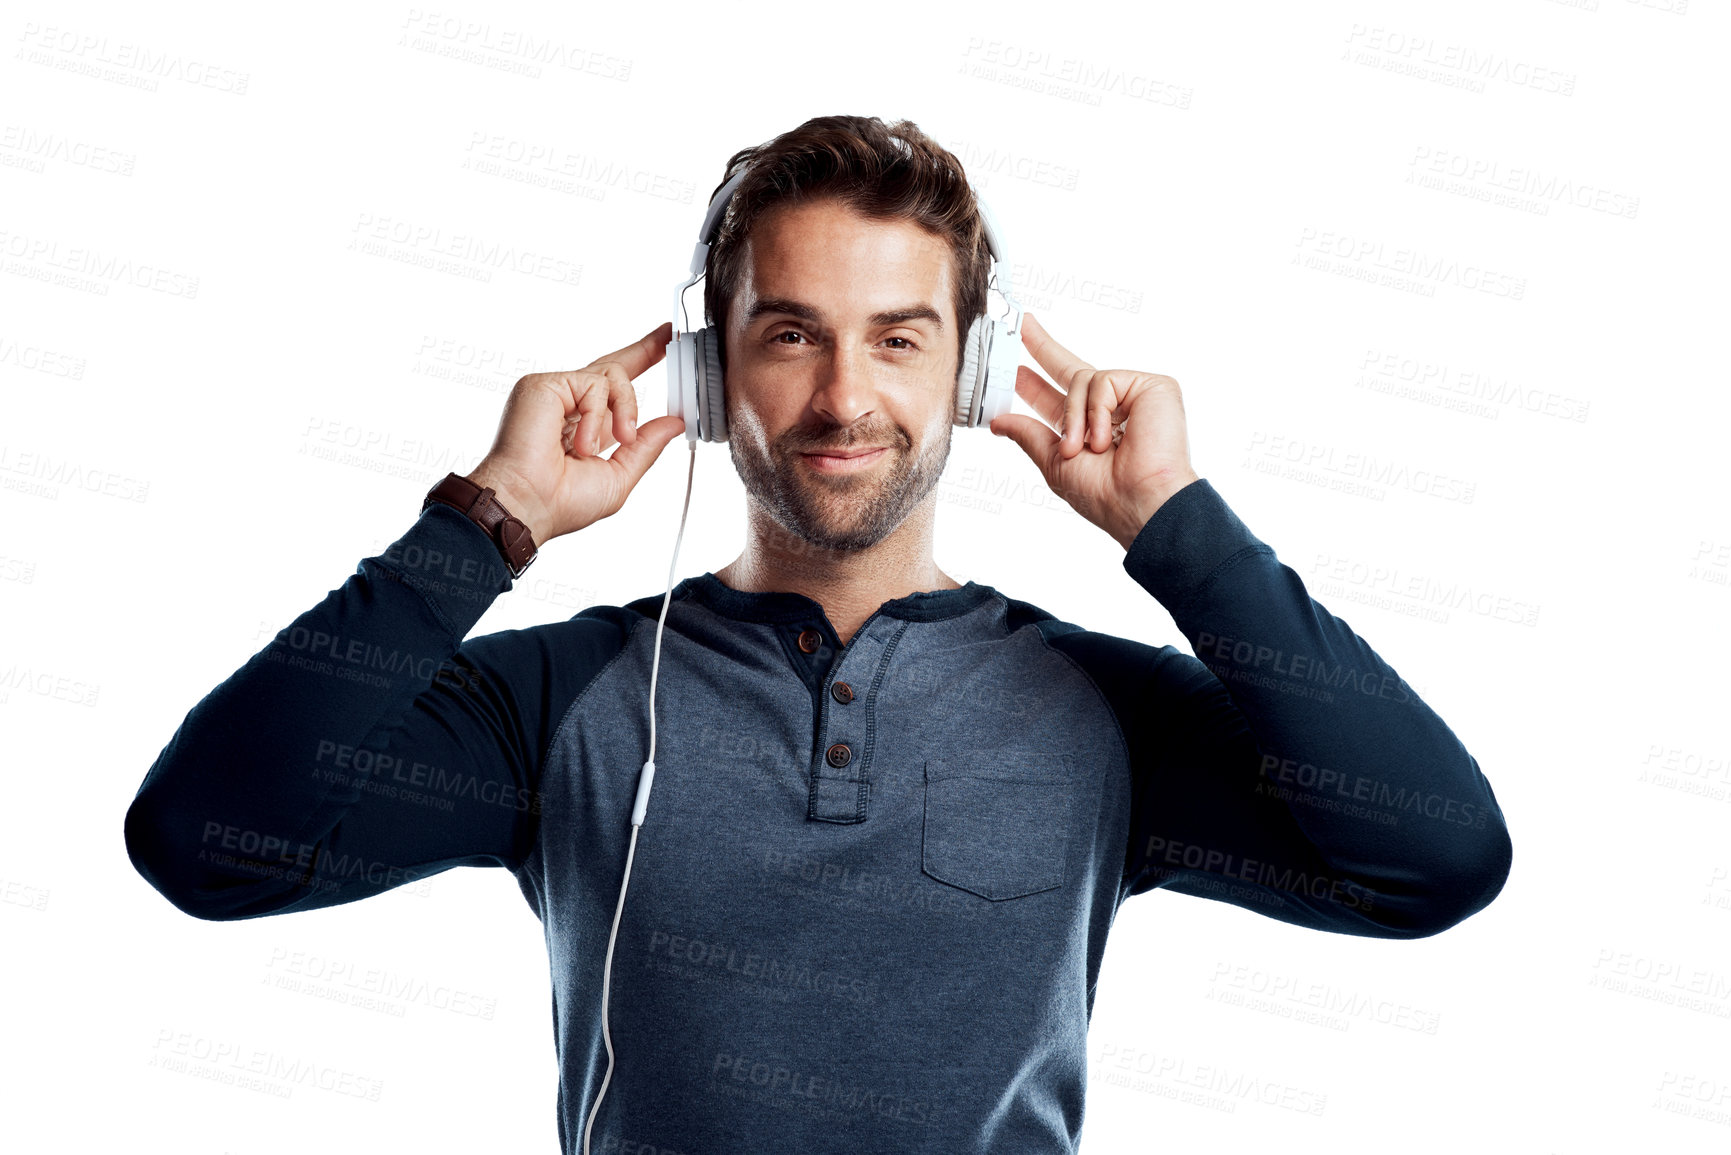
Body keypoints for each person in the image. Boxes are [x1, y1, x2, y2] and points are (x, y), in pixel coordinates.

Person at [123, 114, 1513, 1154]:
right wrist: (487, 522)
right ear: (711, 367)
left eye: (900, 339)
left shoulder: (1105, 714)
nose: (844, 397)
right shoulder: (567, 699)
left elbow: (1436, 859)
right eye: (790, 334)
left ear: (967, 370)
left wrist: (1178, 527)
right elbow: (206, 845)